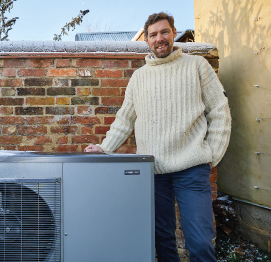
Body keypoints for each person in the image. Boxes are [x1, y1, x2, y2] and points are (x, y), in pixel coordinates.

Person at [84, 12, 231, 262]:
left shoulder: (197, 66)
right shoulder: (139, 78)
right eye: (153, 35)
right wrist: (104, 148)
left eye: (164, 32)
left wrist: (212, 153)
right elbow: (125, 120)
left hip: (192, 169)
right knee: (162, 240)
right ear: (147, 41)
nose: (159, 38)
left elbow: (219, 111)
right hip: (152, 172)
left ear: (174, 33)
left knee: (200, 242)